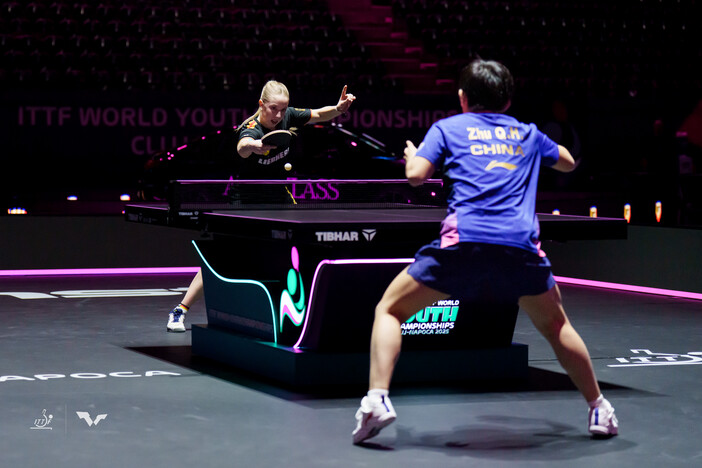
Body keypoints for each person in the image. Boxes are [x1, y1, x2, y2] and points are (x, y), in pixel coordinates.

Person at [351, 59, 618, 444]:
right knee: (556, 327)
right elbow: (567, 162)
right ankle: (599, 409)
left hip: (464, 246)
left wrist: (413, 156)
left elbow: (415, 176)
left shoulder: (447, 128)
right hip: (519, 248)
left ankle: (377, 400)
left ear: (462, 98)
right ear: (507, 101)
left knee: (389, 310)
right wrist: (532, 146)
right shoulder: (528, 133)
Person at [167, 80, 356, 332]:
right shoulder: (251, 128)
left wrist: (338, 108)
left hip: (277, 195)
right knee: (223, 254)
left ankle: (302, 310)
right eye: (273, 108)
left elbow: (319, 114)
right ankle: (180, 310)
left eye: (282, 109)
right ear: (261, 104)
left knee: (299, 247)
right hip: (245, 199)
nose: (278, 115)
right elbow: (242, 147)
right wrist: (253, 145)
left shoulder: (288, 116)